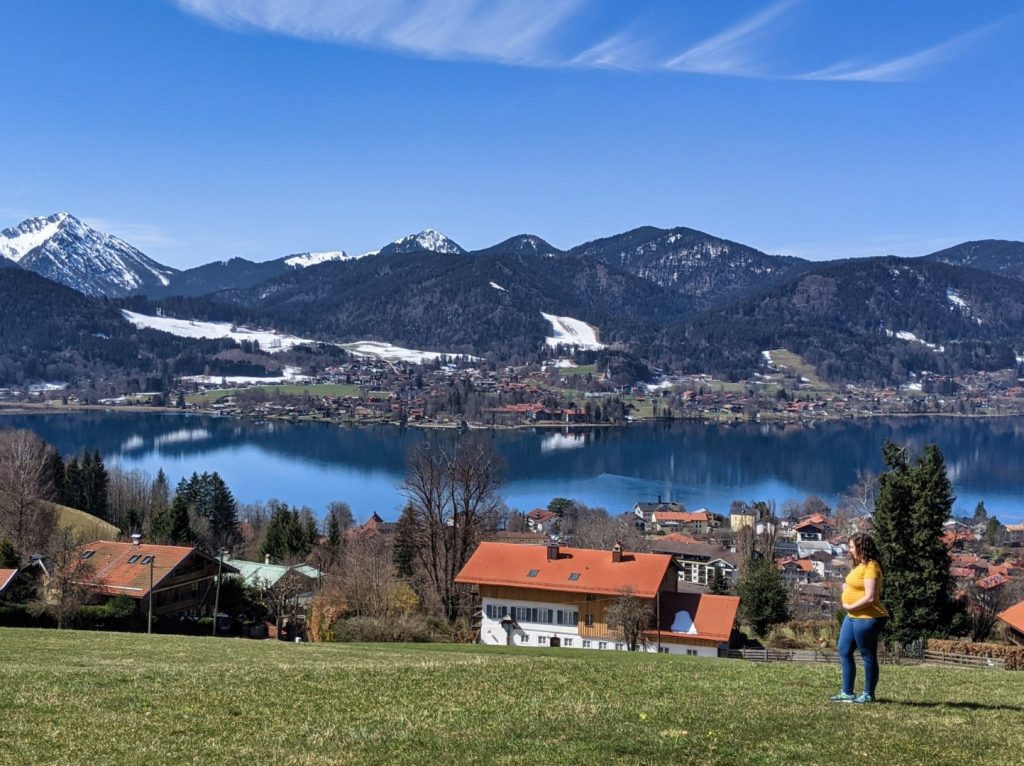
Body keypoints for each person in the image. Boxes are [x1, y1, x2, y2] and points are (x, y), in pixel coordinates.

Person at [831, 532, 888, 703]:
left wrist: (850, 606)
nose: (849, 550)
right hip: (852, 616)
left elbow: (871, 597)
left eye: (851, 547)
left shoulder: (872, 566)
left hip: (868, 616)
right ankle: (847, 692)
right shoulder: (859, 566)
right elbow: (856, 585)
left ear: (860, 548)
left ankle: (868, 694)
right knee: (844, 650)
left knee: (867, 655)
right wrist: (846, 588)